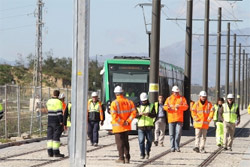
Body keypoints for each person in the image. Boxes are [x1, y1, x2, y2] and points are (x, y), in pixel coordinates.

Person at [110, 86, 137, 164]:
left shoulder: (114, 103)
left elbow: (114, 115)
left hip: (118, 127)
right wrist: (127, 121)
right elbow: (133, 113)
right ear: (122, 93)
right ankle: (127, 157)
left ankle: (121, 158)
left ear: (115, 94)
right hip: (126, 126)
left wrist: (122, 122)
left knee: (119, 143)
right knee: (126, 142)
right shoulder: (129, 102)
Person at [164, 85, 188, 152]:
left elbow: (186, 107)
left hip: (179, 119)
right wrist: (167, 108)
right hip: (171, 119)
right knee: (171, 134)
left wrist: (180, 106)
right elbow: (165, 106)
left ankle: (177, 146)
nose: (176, 93)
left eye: (177, 92)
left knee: (178, 133)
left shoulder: (182, 98)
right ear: (172, 92)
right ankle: (172, 147)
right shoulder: (168, 99)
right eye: (175, 92)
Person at [137, 92, 156, 159]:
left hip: (149, 126)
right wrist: (139, 114)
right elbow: (134, 115)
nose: (144, 102)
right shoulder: (137, 106)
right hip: (141, 126)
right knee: (141, 141)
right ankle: (142, 153)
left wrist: (148, 114)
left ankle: (147, 151)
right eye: (143, 101)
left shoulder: (151, 105)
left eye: (145, 101)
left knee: (149, 140)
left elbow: (154, 115)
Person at [46, 90, 64, 157]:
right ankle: (56, 152)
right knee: (56, 137)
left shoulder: (49, 101)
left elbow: (48, 110)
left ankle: (50, 152)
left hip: (49, 120)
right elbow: (59, 112)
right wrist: (61, 121)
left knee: (49, 137)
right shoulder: (59, 102)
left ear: (53, 94)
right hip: (56, 121)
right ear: (58, 95)